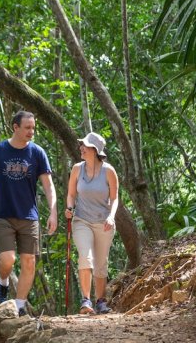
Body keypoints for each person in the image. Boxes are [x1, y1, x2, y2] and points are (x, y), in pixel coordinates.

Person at [0, 111, 58, 317]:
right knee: (8, 260)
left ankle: (20, 306)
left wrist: (53, 212)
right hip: (3, 214)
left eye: (33, 127)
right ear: (15, 127)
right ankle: (3, 283)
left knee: (29, 261)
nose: (32, 131)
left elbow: (48, 186)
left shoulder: (37, 153)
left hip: (29, 216)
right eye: (27, 128)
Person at [65, 131, 118, 314]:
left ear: (95, 150)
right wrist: (70, 208)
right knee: (85, 257)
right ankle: (86, 301)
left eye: (85, 146)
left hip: (103, 222)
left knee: (101, 263)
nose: (81, 148)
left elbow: (115, 198)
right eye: (82, 145)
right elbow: (71, 194)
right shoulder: (77, 169)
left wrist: (111, 216)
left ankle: (101, 301)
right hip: (82, 220)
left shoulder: (109, 171)